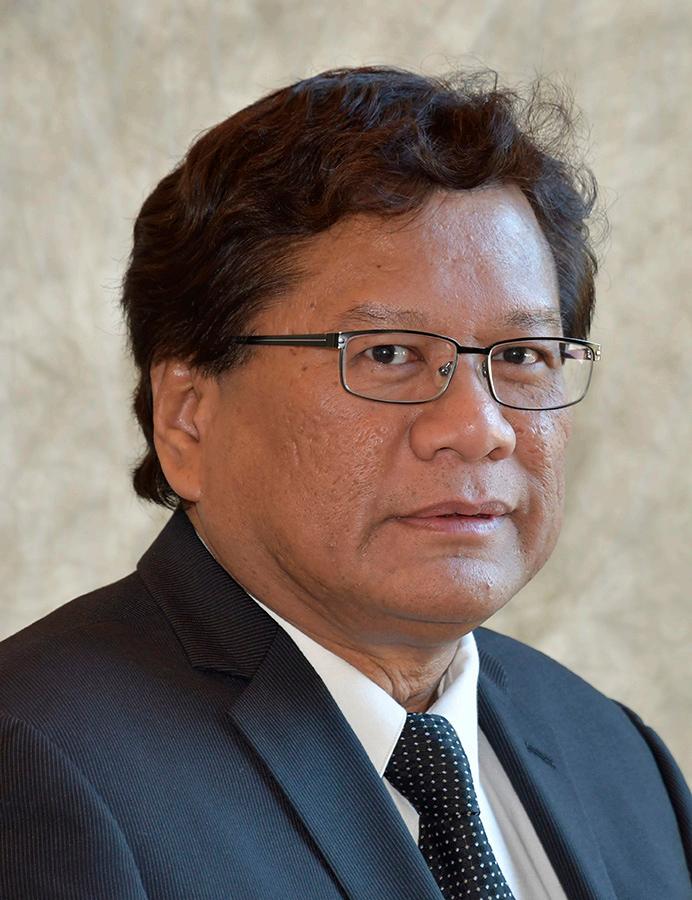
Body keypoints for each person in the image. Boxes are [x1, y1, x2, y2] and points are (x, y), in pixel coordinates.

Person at [0, 67, 689, 900]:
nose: (480, 428)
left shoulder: (619, 759)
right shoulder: (38, 767)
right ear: (187, 416)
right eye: (388, 354)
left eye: (520, 356)